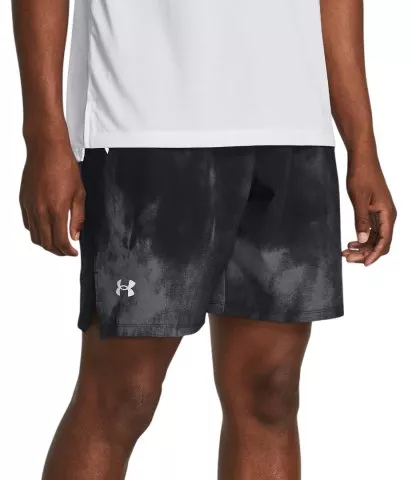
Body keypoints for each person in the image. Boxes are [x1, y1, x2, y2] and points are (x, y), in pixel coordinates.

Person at [12, 0, 396, 478]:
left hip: (292, 127)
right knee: (122, 394)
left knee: (269, 392)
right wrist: (44, 137)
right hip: (144, 124)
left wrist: (363, 145)